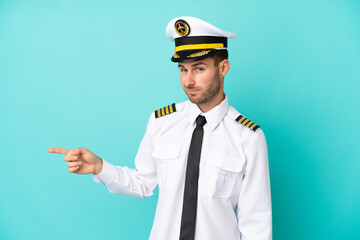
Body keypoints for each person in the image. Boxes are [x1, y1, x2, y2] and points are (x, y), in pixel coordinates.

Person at [49, 16, 272, 240]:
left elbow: (256, 223)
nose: (188, 81)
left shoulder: (248, 137)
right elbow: (143, 183)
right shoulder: (162, 122)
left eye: (199, 69)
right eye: (183, 70)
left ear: (223, 68)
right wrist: (99, 167)